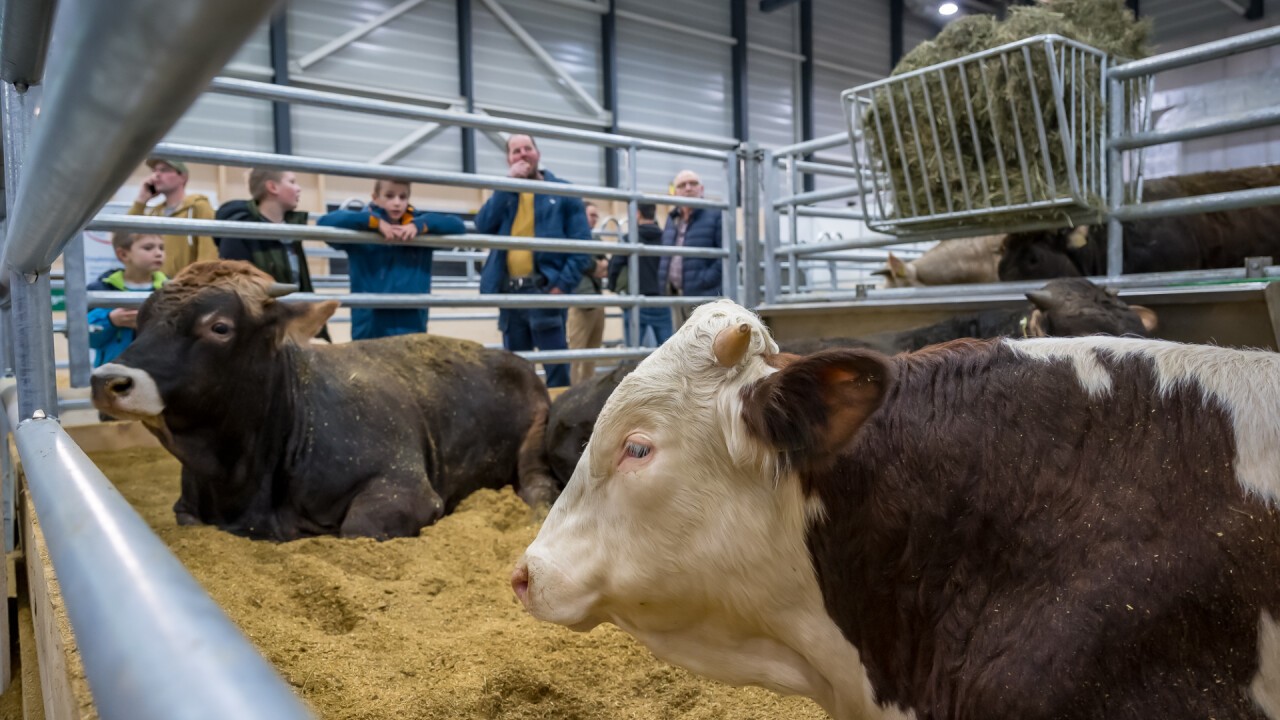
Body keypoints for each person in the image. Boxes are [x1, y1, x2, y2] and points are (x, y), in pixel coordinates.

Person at [477, 134, 592, 388]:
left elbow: (583, 246)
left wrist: (560, 287)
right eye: (515, 151)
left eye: (527, 148)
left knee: (556, 366)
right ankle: (524, 425)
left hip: (545, 291)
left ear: (537, 154)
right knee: (515, 368)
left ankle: (558, 423)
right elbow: (483, 225)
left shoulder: (563, 192)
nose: (522, 154)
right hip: (510, 294)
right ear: (509, 159)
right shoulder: (505, 193)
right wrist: (507, 186)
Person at [316, 179, 466, 340]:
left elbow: (458, 226)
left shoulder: (420, 228)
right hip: (371, 325)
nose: (396, 203)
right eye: (389, 196)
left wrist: (422, 224)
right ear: (375, 197)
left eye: (402, 197)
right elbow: (324, 223)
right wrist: (372, 222)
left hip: (412, 322)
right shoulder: (360, 229)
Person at [215, 168, 330, 342]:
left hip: (295, 323)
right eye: (292, 182)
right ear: (272, 187)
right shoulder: (239, 232)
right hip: (264, 334)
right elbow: (238, 291)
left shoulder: (292, 230)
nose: (298, 188)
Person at [86, 233, 167, 368]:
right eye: (148, 248)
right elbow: (87, 338)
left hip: (158, 373)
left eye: (162, 248)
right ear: (123, 254)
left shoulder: (170, 290)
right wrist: (110, 320)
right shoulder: (101, 289)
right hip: (113, 373)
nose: (158, 253)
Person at [128, 158, 217, 278]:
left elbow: (208, 254)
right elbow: (125, 238)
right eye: (154, 170)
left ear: (183, 177)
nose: (156, 175)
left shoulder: (197, 207)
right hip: (158, 288)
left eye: (164, 170)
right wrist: (141, 200)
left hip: (185, 289)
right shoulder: (155, 213)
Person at [658, 170, 723, 330]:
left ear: (701, 189)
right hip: (675, 296)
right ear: (675, 192)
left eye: (693, 183)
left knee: (704, 343)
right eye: (682, 185)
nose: (688, 188)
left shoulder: (716, 215)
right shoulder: (672, 218)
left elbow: (729, 254)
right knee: (680, 346)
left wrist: (705, 280)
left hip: (704, 297)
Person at [607, 203, 671, 347]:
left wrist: (612, 286)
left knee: (633, 350)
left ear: (637, 214)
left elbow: (615, 266)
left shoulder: (629, 238)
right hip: (662, 300)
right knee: (667, 350)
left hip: (635, 300)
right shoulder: (666, 239)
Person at [567, 201, 608, 385]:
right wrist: (593, 265)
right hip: (580, 303)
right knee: (576, 353)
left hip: (597, 302)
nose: (594, 220)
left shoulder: (596, 240)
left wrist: (592, 266)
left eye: (596, 216)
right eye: (591, 215)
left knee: (592, 351)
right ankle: (572, 391)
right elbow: (580, 261)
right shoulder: (572, 237)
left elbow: (605, 267)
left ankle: (587, 390)